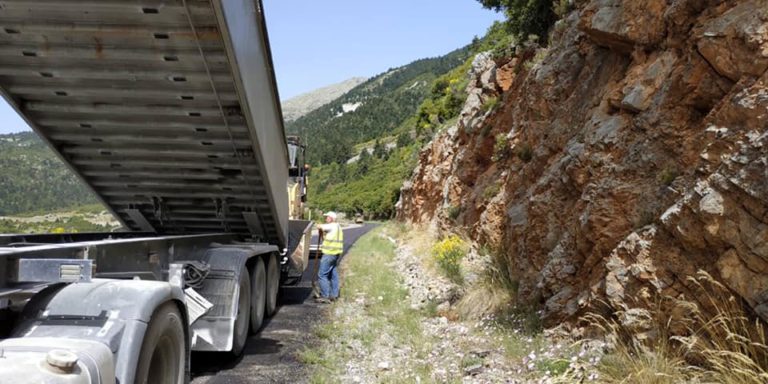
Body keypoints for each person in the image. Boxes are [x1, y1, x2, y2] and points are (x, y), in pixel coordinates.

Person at [316, 211, 344, 303]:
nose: (326, 218)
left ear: (332, 218)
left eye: (327, 217)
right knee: (333, 274)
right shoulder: (338, 226)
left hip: (329, 253)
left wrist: (319, 225)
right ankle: (334, 295)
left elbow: (319, 226)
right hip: (335, 254)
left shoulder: (332, 225)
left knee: (322, 274)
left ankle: (325, 296)